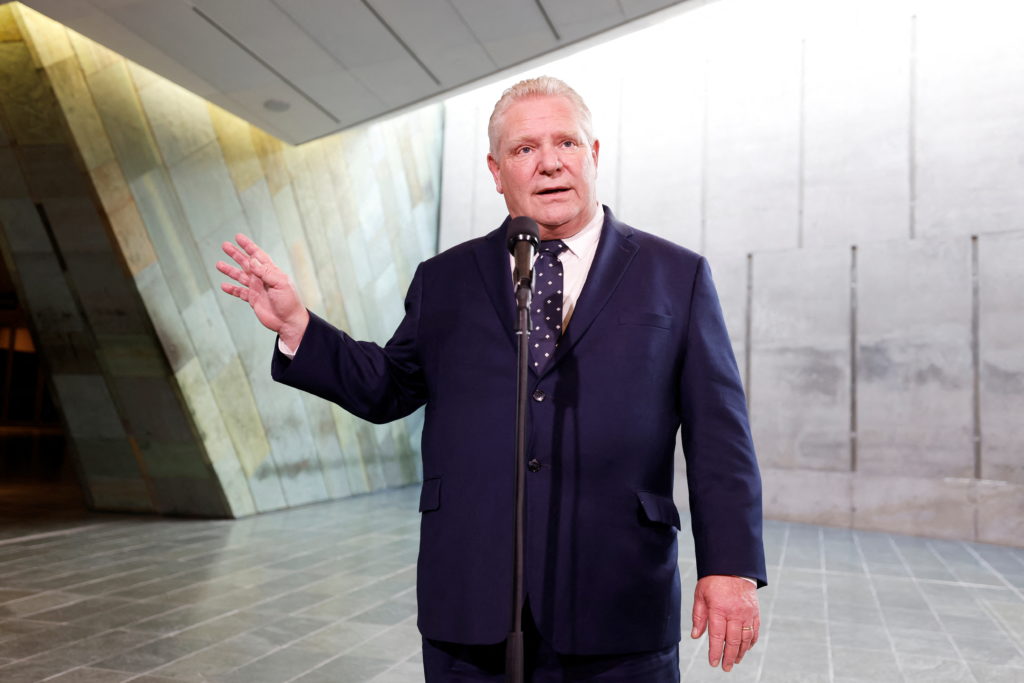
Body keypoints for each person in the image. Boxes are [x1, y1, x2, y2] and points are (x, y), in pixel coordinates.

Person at [218, 76, 766, 682]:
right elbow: (387, 387)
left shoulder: (676, 276)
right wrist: (298, 326)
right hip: (472, 600)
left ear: (595, 154)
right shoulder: (444, 279)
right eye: (525, 149)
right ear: (495, 169)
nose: (550, 163)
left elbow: (721, 440)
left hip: (617, 600)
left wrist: (731, 567)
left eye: (567, 142)